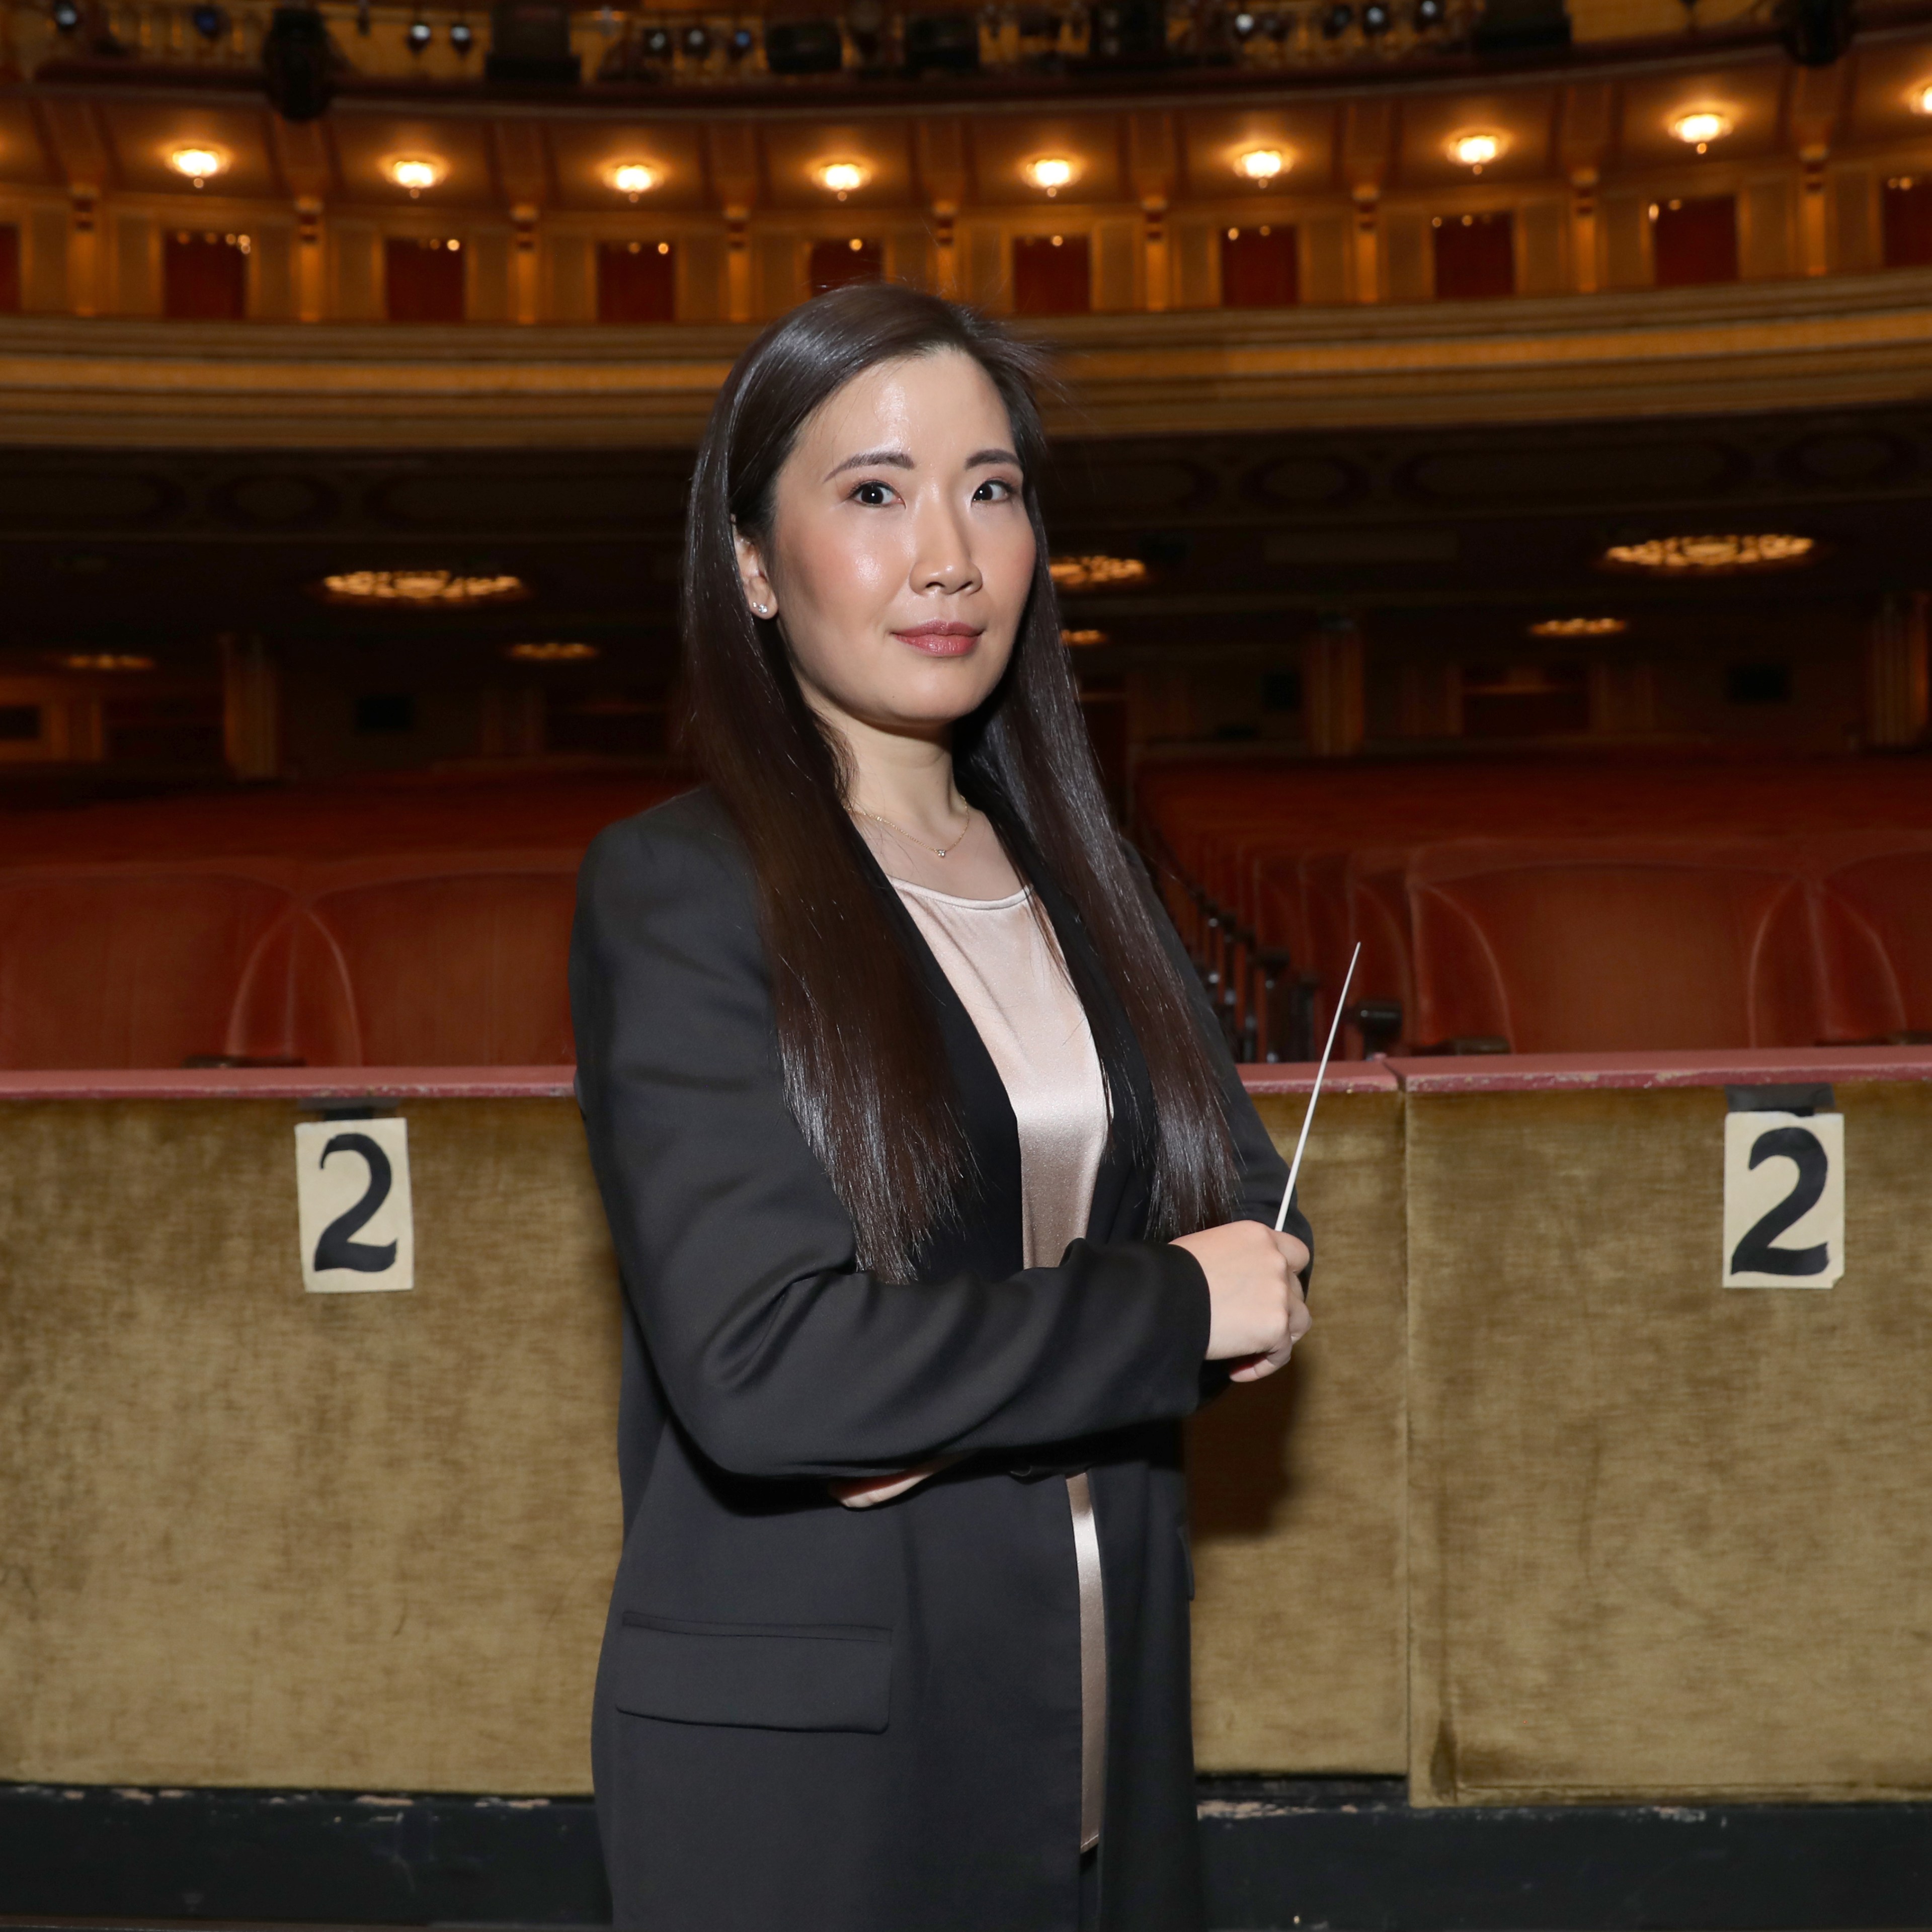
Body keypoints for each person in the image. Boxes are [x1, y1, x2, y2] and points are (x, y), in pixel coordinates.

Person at [569, 282, 1312, 1932]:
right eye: (876, 492)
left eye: (992, 487)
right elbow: (771, 1378)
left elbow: (1252, 1208)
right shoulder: (684, 889)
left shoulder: (1085, 874)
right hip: (827, 1752)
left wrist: (952, 1383)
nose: (951, 556)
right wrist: (1165, 1310)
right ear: (755, 564)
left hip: (1100, 1704)